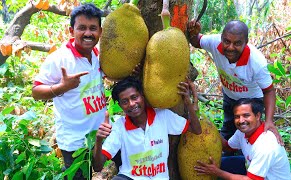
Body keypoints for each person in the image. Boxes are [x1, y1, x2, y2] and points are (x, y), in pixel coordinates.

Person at [32, 3, 105, 179]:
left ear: (100, 32)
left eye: (93, 28)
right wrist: (62, 87)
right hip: (74, 141)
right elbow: (36, 91)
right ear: (71, 31)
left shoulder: (97, 54)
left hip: (99, 135)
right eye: (82, 28)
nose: (88, 33)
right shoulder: (59, 59)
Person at [187, 20, 283, 144]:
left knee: (250, 134)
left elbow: (269, 91)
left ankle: (247, 158)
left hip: (252, 100)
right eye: (226, 41)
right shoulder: (214, 42)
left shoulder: (256, 62)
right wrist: (194, 32)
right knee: (228, 128)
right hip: (230, 96)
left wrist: (269, 121)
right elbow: (197, 41)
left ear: (246, 43)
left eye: (237, 43)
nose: (230, 47)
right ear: (221, 38)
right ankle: (227, 157)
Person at [93, 76, 202, 179]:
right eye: (125, 102)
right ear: (120, 105)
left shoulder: (163, 116)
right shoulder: (119, 126)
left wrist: (189, 102)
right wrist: (98, 140)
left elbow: (196, 130)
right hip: (130, 177)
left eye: (134, 97)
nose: (131, 104)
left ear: (142, 96)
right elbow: (98, 167)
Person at [194, 98, 291, 179]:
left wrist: (217, 172)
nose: (241, 121)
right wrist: (209, 127)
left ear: (257, 116)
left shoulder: (266, 145)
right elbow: (227, 147)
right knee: (219, 163)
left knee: (218, 170)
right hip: (252, 169)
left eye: (246, 115)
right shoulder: (242, 132)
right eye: (237, 117)